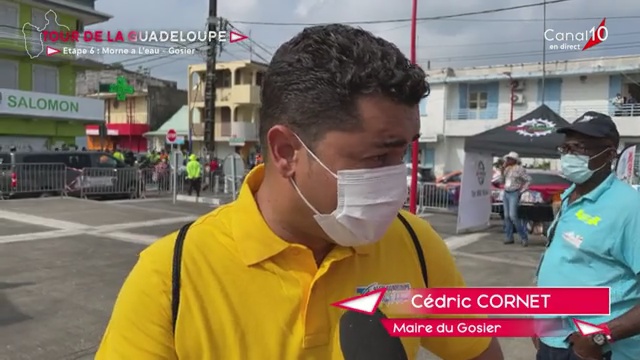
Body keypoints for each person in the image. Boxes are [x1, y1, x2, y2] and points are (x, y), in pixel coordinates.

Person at [95, 24, 503, 360]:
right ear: (286, 151)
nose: (398, 179)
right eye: (378, 157)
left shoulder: (415, 243)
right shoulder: (172, 276)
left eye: (404, 152)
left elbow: (479, 351)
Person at [534, 112, 640, 360]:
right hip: (553, 340)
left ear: (610, 153)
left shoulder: (630, 208)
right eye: (566, 147)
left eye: (579, 148)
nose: (569, 156)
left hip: (595, 349)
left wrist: (597, 338)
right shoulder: (571, 197)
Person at [500, 151, 531, 246]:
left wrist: (522, 190)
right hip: (506, 192)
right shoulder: (507, 169)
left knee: (513, 216)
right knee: (506, 216)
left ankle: (523, 237)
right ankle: (509, 237)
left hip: (514, 193)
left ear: (514, 160)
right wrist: (502, 170)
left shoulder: (519, 169)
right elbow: (502, 180)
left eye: (509, 159)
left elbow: (528, 179)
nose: (507, 160)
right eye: (507, 159)